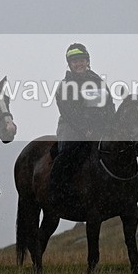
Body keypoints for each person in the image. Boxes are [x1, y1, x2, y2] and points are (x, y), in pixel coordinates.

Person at [49, 43, 115, 198]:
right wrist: (85, 130)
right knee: (67, 152)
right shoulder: (65, 86)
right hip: (71, 128)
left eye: (81, 60)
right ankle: (57, 191)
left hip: (98, 128)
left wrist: (109, 125)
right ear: (70, 64)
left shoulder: (99, 82)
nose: (78, 64)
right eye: (74, 61)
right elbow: (69, 113)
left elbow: (109, 106)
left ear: (87, 61)